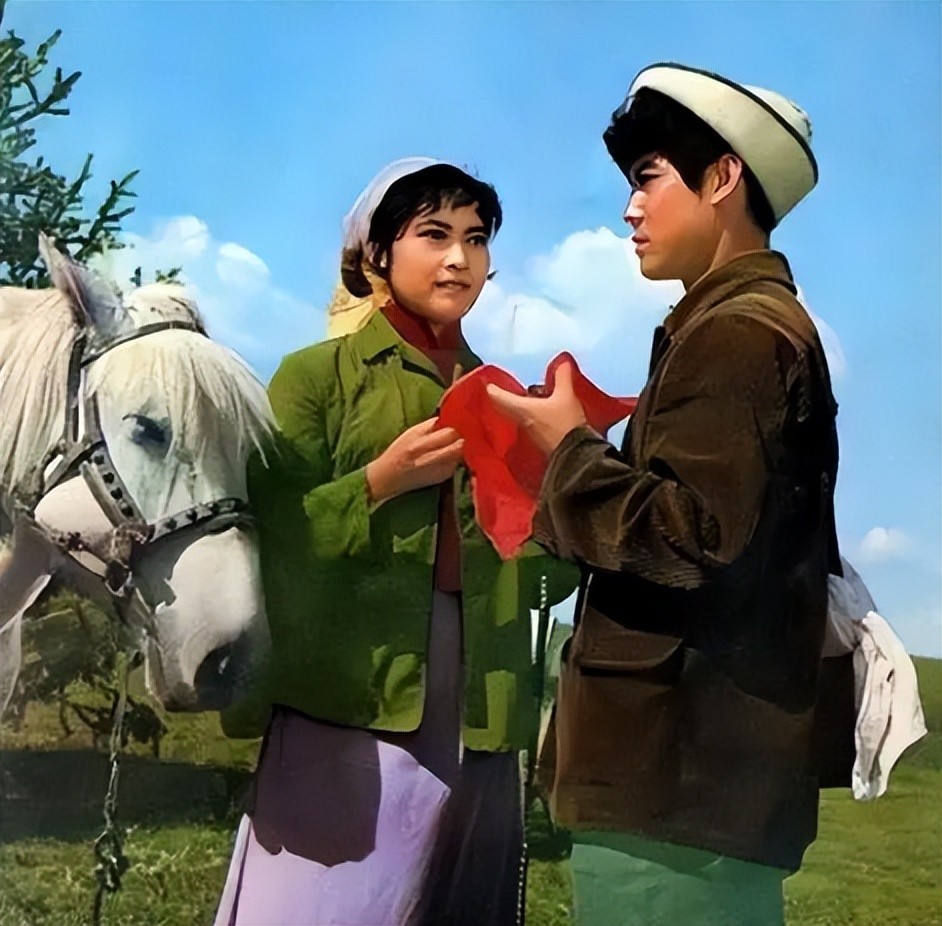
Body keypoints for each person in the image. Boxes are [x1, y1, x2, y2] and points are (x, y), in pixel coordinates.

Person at [487, 64, 840, 926]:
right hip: (691, 796)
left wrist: (569, 451)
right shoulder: (740, 325)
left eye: (648, 178)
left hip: (673, 799)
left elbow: (695, 539)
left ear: (722, 178)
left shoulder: (737, 335)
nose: (630, 209)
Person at [215, 157, 577, 926]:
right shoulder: (315, 377)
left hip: (478, 705)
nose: (459, 258)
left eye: (475, 239)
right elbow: (269, 544)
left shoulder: (510, 401)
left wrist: (563, 498)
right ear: (377, 253)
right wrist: (380, 480)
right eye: (433, 234)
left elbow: (546, 581)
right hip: (346, 704)